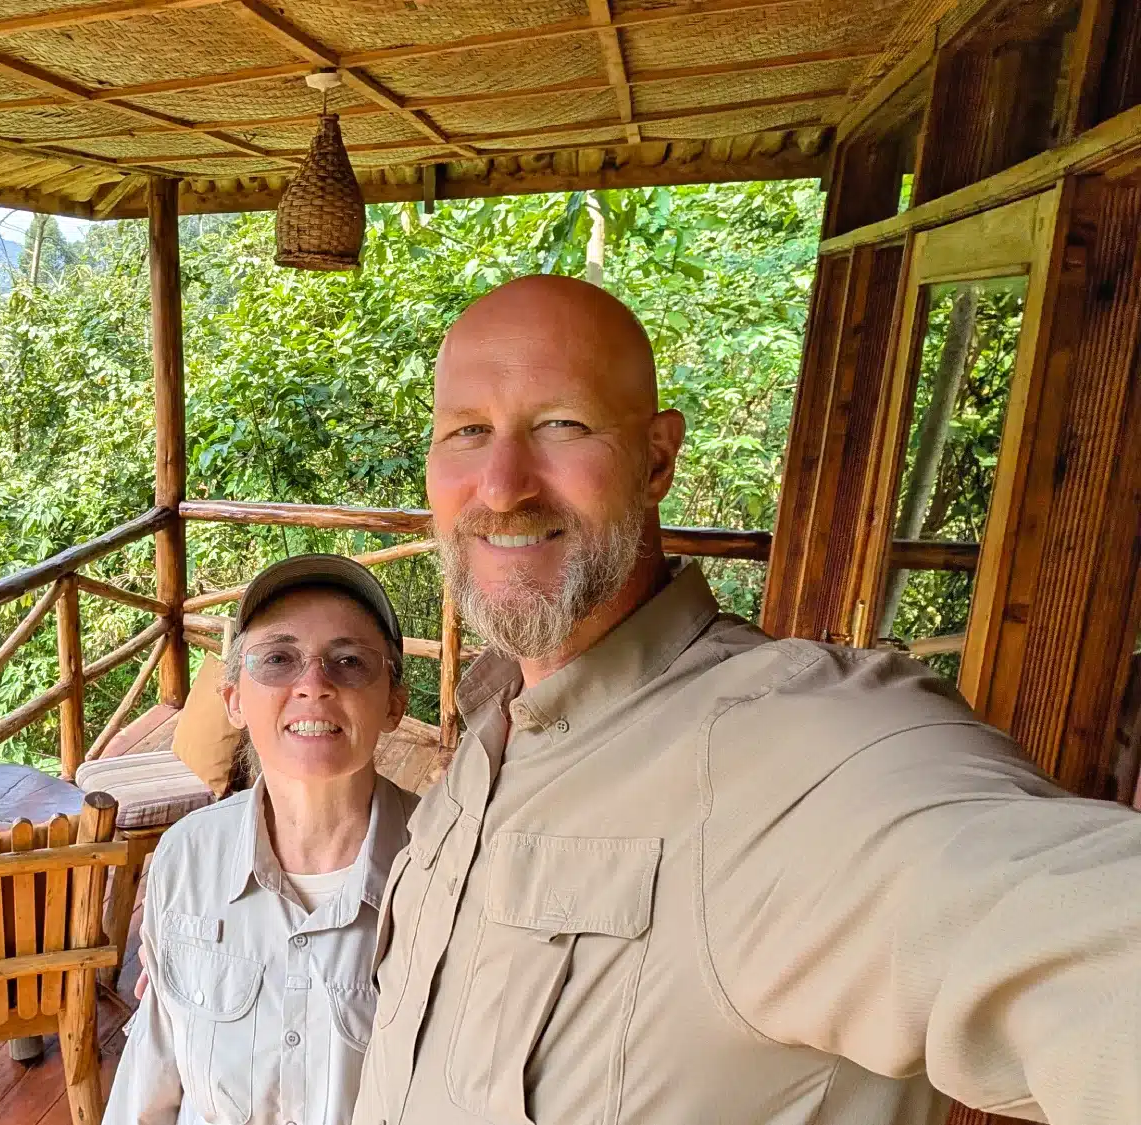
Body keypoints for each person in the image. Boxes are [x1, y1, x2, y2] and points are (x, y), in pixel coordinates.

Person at [351, 274, 1141, 1125]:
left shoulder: (797, 746)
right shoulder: (490, 737)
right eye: (468, 431)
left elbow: (1093, 946)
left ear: (656, 459)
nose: (503, 485)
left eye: (561, 426)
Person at [105, 555, 418, 1125]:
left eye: (348, 661)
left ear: (394, 705)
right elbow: (153, 1072)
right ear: (234, 701)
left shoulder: (440, 868)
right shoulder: (187, 857)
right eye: (278, 659)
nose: (313, 685)